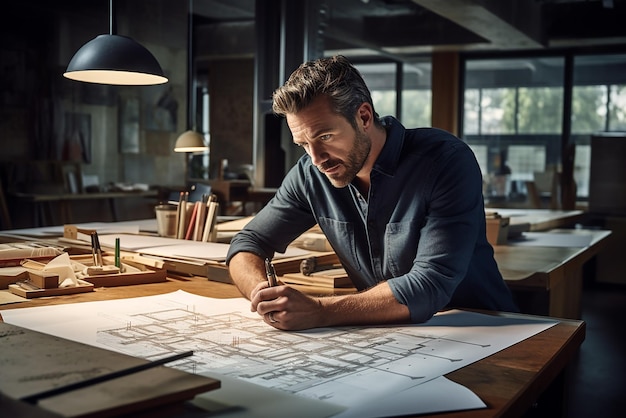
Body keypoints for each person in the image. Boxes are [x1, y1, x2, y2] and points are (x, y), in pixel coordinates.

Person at [226, 55, 518, 331]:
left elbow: (429, 285)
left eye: (325, 137)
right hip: (389, 338)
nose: (316, 158)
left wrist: (319, 310)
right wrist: (262, 293)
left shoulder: (445, 161)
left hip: (481, 331)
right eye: (303, 143)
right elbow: (248, 242)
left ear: (364, 116)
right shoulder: (311, 175)